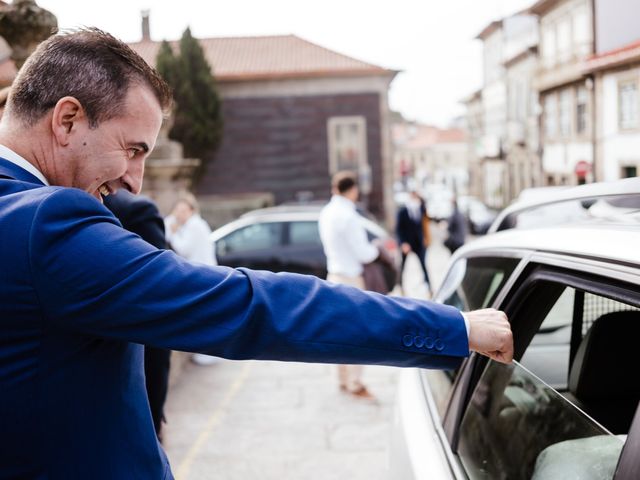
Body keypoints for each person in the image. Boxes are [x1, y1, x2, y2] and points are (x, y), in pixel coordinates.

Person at [0, 28, 512, 478]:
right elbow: (250, 307)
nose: (134, 181)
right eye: (132, 149)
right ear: (67, 120)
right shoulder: (47, 226)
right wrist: (455, 328)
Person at [104, 190, 172, 442]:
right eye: (133, 151)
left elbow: (158, 315)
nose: (136, 180)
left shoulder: (134, 212)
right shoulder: (133, 211)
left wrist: (154, 412)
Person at [318, 171, 380, 399]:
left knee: (338, 331)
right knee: (357, 332)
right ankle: (355, 382)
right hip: (352, 278)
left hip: (333, 274)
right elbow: (364, 253)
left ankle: (342, 379)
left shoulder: (326, 212)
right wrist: (377, 248)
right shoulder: (348, 216)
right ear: (352, 190)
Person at [165, 192, 219, 365]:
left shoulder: (194, 226)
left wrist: (173, 234)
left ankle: (208, 353)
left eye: (182, 210)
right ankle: (207, 352)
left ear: (191, 210)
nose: (179, 214)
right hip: (206, 273)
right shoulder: (196, 224)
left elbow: (183, 249)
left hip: (203, 275)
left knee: (205, 316)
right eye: (177, 210)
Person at [396, 190, 432, 295]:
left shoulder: (420, 209)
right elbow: (399, 229)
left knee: (424, 266)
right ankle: (400, 287)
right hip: (407, 244)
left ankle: (429, 287)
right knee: (403, 267)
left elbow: (424, 224)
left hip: (419, 244)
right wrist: (403, 243)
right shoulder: (403, 211)